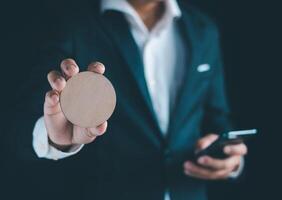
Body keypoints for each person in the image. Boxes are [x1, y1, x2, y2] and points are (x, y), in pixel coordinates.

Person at [10, 0, 248, 199]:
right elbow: (17, 126)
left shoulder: (204, 29)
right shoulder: (68, 22)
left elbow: (218, 120)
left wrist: (231, 161)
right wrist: (55, 139)